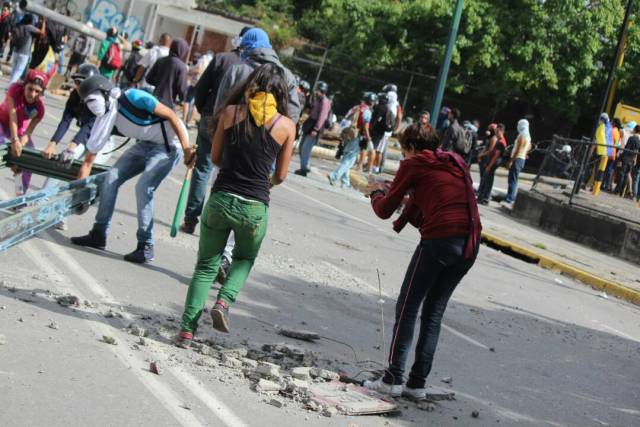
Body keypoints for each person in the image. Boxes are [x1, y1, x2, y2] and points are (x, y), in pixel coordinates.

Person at [177, 63, 296, 345]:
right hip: (254, 207)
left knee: (206, 265)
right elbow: (280, 176)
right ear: (281, 94)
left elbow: (216, 158)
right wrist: (263, 180)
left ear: (250, 85)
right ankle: (224, 302)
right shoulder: (286, 126)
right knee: (243, 258)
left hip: (221, 199)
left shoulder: (231, 113)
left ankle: (186, 330)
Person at [364, 123, 481, 400]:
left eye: (404, 150)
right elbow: (431, 196)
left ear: (412, 148)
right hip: (469, 245)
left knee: (407, 307)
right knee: (433, 314)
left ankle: (392, 379)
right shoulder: (454, 161)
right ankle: (417, 384)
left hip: (440, 239)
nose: (404, 157)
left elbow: (384, 210)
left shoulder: (415, 163)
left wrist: (375, 193)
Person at [69, 74, 195, 263]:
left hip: (170, 145)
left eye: (93, 98)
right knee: (111, 177)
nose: (91, 104)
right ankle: (98, 233)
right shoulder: (104, 118)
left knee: (144, 187)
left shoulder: (133, 97)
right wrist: (79, 194)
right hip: (146, 144)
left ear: (106, 93)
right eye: (87, 101)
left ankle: (146, 245)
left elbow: (171, 116)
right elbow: (89, 160)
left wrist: (186, 150)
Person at [179, 26, 248, 235]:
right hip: (238, 124)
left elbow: (201, 89)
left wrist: (203, 110)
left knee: (203, 168)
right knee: (226, 173)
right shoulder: (255, 68)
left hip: (211, 118)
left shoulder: (222, 59)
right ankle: (216, 223)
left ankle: (191, 219)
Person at [213, 28, 301, 124]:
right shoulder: (287, 76)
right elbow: (293, 114)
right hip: (270, 135)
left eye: (242, 48)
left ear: (246, 47)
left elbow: (220, 107)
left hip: (233, 133)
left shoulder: (236, 70)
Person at [0, 70, 47, 196]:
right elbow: (13, 117)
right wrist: (15, 140)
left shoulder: (40, 109)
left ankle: (20, 198)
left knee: (27, 160)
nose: (32, 94)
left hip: (19, 129)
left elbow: (28, 132)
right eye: (30, 89)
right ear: (24, 85)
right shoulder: (14, 89)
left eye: (37, 91)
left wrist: (21, 144)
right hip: (2, 122)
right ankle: (12, 163)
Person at [328, 92, 375, 188]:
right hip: (357, 137)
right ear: (371, 101)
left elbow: (346, 119)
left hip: (348, 134)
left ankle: (345, 183)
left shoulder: (356, 107)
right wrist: (369, 139)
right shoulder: (367, 111)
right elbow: (365, 127)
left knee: (347, 157)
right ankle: (334, 175)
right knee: (350, 159)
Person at [294, 80, 331, 176]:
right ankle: (304, 167)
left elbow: (322, 116)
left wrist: (316, 129)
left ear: (321, 90)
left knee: (306, 147)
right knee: (302, 146)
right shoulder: (317, 99)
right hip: (310, 124)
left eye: (317, 90)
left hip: (315, 127)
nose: (315, 92)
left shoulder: (325, 101)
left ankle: (305, 168)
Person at [145, 38, 189, 109]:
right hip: (168, 103)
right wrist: (183, 99)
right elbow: (182, 90)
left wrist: (160, 83)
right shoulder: (182, 67)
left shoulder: (161, 60)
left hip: (154, 99)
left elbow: (148, 78)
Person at [9, 13, 44, 84]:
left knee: (14, 70)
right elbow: (42, 32)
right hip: (24, 53)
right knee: (19, 71)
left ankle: (10, 85)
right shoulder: (29, 27)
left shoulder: (19, 26)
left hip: (16, 51)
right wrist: (44, 22)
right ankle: (11, 86)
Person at [503, 119, 532, 205]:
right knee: (513, 179)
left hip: (517, 159)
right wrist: (525, 153)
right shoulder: (528, 135)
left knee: (512, 179)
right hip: (521, 159)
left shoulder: (522, 135)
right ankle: (509, 197)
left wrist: (511, 160)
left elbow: (518, 149)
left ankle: (510, 198)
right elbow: (529, 146)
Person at [375, 85, 403, 173]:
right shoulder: (396, 104)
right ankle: (378, 166)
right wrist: (395, 128)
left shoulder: (388, 101)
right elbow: (399, 116)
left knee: (379, 149)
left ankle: (377, 167)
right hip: (388, 129)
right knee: (382, 149)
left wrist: (396, 128)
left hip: (383, 129)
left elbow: (399, 117)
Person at [476, 124, 504, 205]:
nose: (491, 131)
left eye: (494, 130)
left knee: (486, 180)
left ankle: (485, 197)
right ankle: (481, 196)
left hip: (489, 161)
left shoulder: (497, 140)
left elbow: (493, 153)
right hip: (487, 160)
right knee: (485, 179)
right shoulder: (493, 138)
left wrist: (488, 165)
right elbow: (487, 148)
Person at [592, 113, 614, 196]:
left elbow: (596, 140)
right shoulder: (609, 128)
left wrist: (591, 151)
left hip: (599, 151)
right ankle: (596, 187)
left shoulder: (601, 127)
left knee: (597, 169)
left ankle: (594, 187)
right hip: (606, 152)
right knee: (601, 170)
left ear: (602, 119)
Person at [617, 125, 639, 197]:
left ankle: (618, 190)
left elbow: (627, 148)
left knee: (622, 174)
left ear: (635, 130)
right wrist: (634, 159)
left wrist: (621, 158)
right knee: (627, 174)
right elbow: (637, 151)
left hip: (626, 158)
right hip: (632, 159)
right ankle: (622, 192)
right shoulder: (638, 141)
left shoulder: (631, 138)